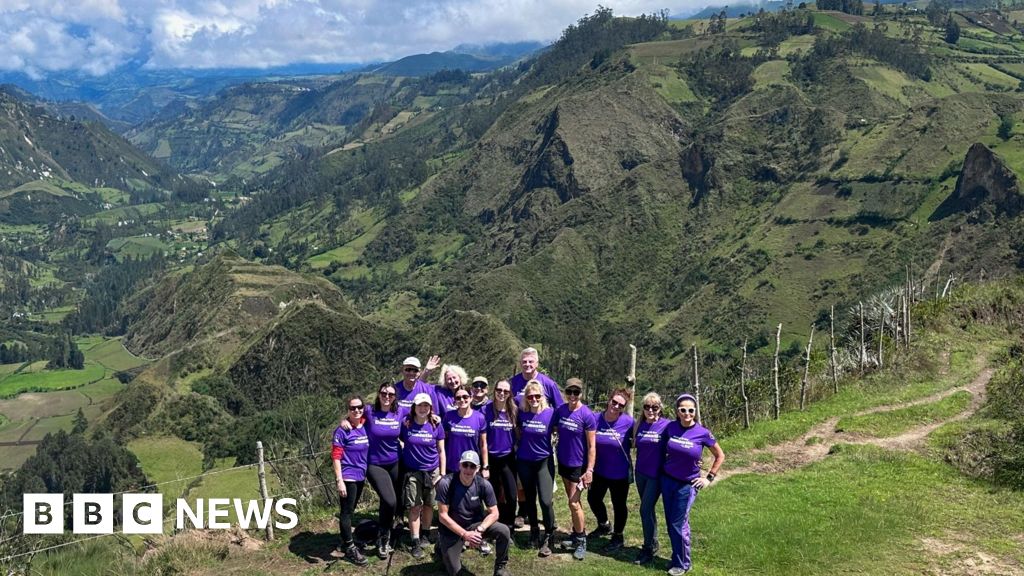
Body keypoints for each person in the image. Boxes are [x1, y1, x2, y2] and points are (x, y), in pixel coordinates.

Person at [660, 393, 725, 576]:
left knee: (678, 524)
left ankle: (682, 564)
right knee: (671, 522)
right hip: (668, 480)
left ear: (695, 412)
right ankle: (677, 556)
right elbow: (662, 448)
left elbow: (720, 455)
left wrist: (708, 478)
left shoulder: (703, 433)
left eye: (691, 410)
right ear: (677, 411)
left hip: (687, 485)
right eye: (683, 410)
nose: (687, 414)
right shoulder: (671, 427)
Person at [436, 451, 513, 576]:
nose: (468, 469)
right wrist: (465, 534)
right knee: (455, 572)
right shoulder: (446, 483)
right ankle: (441, 546)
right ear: (459, 465)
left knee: (504, 530)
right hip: (452, 530)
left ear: (477, 468)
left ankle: (500, 568)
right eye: (465, 465)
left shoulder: (483, 484)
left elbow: (494, 513)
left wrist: (480, 530)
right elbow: (442, 516)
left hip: (474, 525)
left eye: (472, 466)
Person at [552, 377, 596, 560]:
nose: (572, 395)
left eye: (576, 392)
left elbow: (592, 446)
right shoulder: (561, 410)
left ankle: (581, 541)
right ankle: (577, 533)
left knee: (573, 503)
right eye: (569, 391)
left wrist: (589, 470)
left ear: (581, 393)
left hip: (579, 466)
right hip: (564, 463)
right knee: (573, 503)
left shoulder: (587, 415)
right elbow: (554, 427)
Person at [400, 392, 447, 559]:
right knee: (414, 506)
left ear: (430, 408)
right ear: (414, 407)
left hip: (432, 471)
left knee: (429, 504)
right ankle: (415, 541)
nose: (422, 408)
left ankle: (425, 533)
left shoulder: (436, 425)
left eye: (426, 405)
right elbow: (396, 437)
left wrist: (442, 473)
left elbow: (441, 450)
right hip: (413, 471)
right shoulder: (406, 424)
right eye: (419, 405)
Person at [588, 388, 634, 553]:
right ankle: (604, 524)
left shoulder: (629, 422)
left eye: (620, 405)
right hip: (599, 470)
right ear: (609, 400)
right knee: (593, 499)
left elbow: (642, 438)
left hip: (619, 473)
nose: (616, 407)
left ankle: (618, 536)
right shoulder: (595, 418)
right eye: (614, 402)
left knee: (619, 505)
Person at [515, 380, 557, 557]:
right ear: (525, 397)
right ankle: (534, 530)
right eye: (530, 396)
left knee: (546, 501)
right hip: (524, 461)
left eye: (537, 396)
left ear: (542, 397)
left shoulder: (551, 413)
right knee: (529, 498)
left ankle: (549, 534)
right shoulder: (521, 413)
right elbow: (516, 430)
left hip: (543, 462)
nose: (533, 399)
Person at [364, 382, 406, 558]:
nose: (387, 397)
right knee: (390, 501)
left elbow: (419, 414)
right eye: (383, 393)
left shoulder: (400, 411)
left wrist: (434, 417)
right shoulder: (369, 411)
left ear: (395, 397)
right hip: (375, 464)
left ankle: (389, 529)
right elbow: (352, 415)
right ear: (378, 394)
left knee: (393, 500)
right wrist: (344, 422)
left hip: (396, 462)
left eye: (390, 394)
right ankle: (383, 537)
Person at [332, 396, 370, 566]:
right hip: (348, 475)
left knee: (351, 509)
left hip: (361, 475)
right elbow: (336, 456)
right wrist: (339, 480)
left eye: (359, 407)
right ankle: (349, 548)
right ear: (347, 410)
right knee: (346, 512)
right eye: (352, 408)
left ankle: (345, 540)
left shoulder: (365, 424)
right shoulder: (342, 431)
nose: (356, 410)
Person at [633, 391, 669, 565]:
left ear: (660, 408)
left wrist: (695, 460)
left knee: (645, 509)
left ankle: (648, 547)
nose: (650, 410)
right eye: (647, 407)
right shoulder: (639, 425)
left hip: (656, 475)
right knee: (648, 510)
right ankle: (653, 542)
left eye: (654, 407)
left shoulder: (667, 425)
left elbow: (684, 439)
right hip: (640, 473)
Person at [484, 379, 518, 526]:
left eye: (505, 391)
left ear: (510, 393)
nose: (502, 393)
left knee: (511, 494)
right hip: (491, 457)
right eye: (499, 390)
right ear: (494, 391)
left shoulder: (514, 411)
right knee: (494, 494)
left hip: (508, 458)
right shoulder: (486, 410)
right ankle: (496, 525)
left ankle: (509, 525)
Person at [442, 386, 488, 485]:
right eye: (458, 398)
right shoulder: (448, 416)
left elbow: (483, 444)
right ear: (455, 400)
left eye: (465, 397)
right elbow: (442, 441)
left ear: (471, 398)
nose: (462, 400)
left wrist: (485, 466)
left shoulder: (479, 417)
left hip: (471, 467)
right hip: (452, 466)